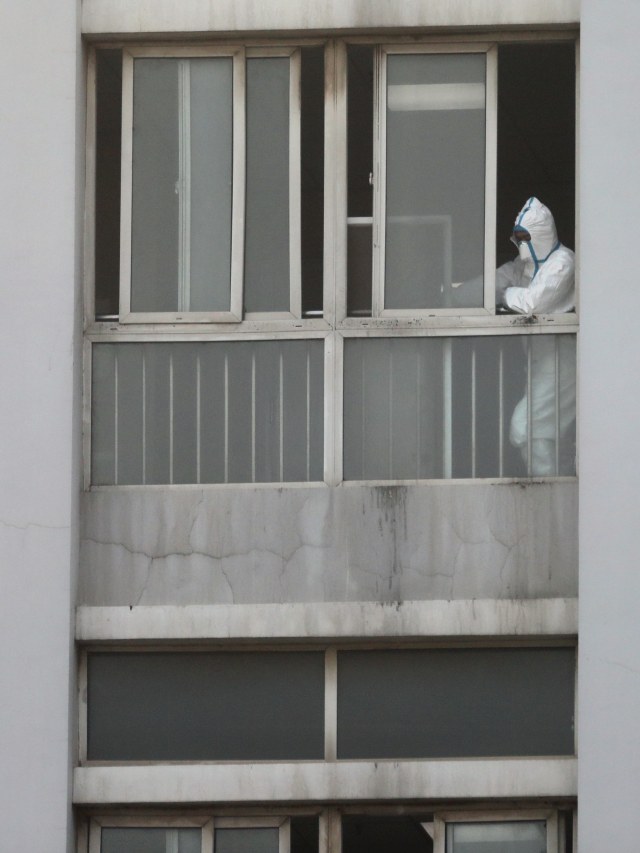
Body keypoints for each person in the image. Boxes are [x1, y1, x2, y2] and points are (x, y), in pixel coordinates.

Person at [497, 197, 576, 475]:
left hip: (561, 359)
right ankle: (556, 480)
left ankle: (548, 488)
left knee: (526, 428)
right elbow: (492, 282)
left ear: (540, 235)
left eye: (525, 237)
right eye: (516, 237)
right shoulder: (524, 266)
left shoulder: (563, 262)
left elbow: (533, 303)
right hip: (538, 359)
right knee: (549, 432)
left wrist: (504, 296)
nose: (520, 243)